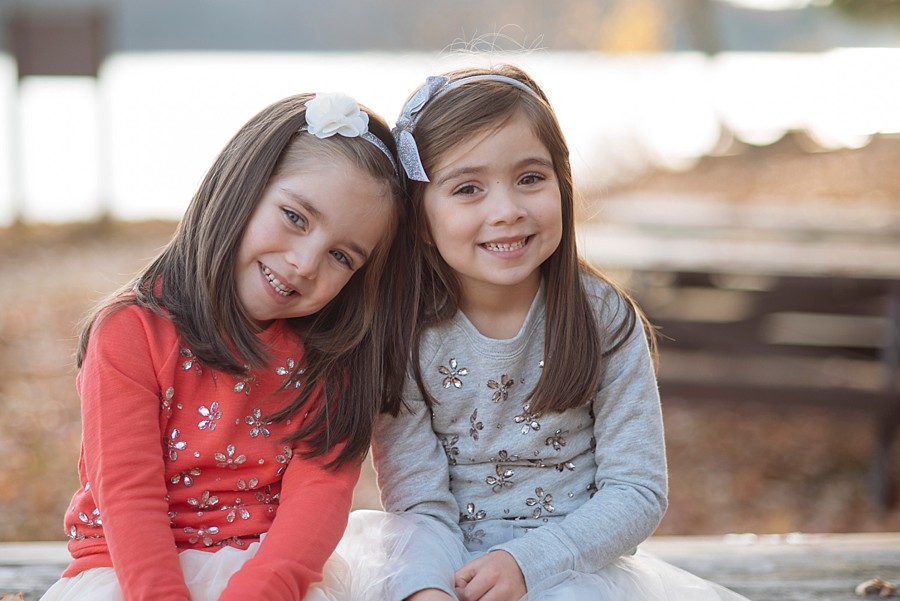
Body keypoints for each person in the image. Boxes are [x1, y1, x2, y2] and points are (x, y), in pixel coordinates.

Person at [336, 64, 752, 601]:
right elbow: (419, 505)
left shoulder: (602, 320)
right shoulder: (403, 339)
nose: (507, 211)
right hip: (445, 566)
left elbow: (637, 490)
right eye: (468, 189)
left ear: (563, 185)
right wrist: (426, 588)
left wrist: (528, 562)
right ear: (419, 219)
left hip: (574, 569)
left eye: (530, 178)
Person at [41, 91, 410, 601]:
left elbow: (317, 501)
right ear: (242, 186)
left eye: (342, 256)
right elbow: (129, 496)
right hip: (132, 575)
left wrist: (257, 593)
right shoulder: (132, 332)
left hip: (269, 577)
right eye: (295, 217)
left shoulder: (330, 358)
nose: (305, 262)